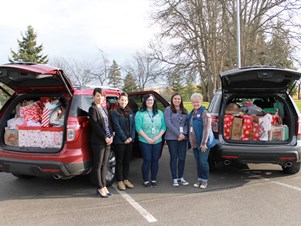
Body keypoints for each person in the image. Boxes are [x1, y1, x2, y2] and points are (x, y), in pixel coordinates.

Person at [135, 94, 166, 187]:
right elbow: (138, 127)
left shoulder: (159, 113)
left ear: (154, 101)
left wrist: (158, 137)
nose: (150, 101)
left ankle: (153, 179)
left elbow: (164, 126)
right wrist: (147, 138)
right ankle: (145, 180)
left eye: (151, 100)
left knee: (155, 160)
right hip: (144, 140)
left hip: (157, 140)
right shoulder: (140, 113)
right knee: (147, 159)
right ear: (145, 101)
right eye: (148, 100)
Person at [89, 88, 114, 198]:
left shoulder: (104, 109)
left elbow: (108, 124)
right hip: (98, 141)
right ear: (94, 96)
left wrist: (111, 136)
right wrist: (105, 137)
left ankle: (104, 186)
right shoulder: (92, 109)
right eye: (98, 95)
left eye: (102, 96)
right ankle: (99, 188)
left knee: (105, 165)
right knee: (98, 165)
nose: (100, 98)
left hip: (108, 140)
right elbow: (95, 126)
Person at [187, 93, 216, 189]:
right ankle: (199, 179)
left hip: (204, 142)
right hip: (195, 143)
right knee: (198, 161)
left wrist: (204, 143)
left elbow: (207, 129)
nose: (195, 104)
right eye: (194, 102)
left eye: (197, 102)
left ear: (201, 102)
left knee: (203, 161)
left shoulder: (205, 113)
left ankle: (204, 180)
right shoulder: (192, 113)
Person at [164, 93, 189, 187]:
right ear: (172, 100)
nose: (177, 100)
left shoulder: (184, 110)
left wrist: (184, 133)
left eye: (179, 99)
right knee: (174, 158)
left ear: (181, 100)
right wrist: (178, 134)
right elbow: (168, 123)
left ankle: (181, 177)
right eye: (175, 99)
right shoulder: (168, 110)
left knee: (182, 158)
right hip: (172, 138)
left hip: (183, 138)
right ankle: (174, 178)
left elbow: (187, 123)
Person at [112, 92, 136, 191]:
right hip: (119, 141)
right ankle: (120, 181)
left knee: (127, 161)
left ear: (127, 101)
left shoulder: (130, 112)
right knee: (120, 161)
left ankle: (125, 179)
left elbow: (133, 127)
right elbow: (117, 127)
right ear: (118, 101)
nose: (123, 102)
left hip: (129, 140)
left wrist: (131, 138)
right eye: (122, 100)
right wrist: (124, 138)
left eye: (125, 100)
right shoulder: (115, 112)